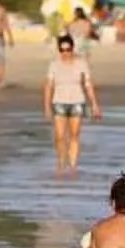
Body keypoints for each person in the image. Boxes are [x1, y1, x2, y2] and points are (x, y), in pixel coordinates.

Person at [43, 33, 101, 170]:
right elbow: (48, 86)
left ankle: (73, 165)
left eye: (68, 50)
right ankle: (61, 162)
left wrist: (94, 105)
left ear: (72, 49)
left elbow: (88, 84)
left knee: (74, 136)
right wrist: (47, 107)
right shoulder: (54, 65)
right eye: (62, 50)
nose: (65, 53)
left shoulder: (81, 64)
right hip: (59, 102)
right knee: (59, 136)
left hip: (77, 102)